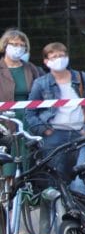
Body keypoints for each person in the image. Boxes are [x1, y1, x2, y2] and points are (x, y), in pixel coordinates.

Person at [26, 42, 85, 193]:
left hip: (80, 135)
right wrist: (45, 131)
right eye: (54, 56)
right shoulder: (41, 83)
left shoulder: (82, 78)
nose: (59, 59)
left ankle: (78, 216)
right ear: (46, 61)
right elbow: (30, 112)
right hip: (54, 136)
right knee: (55, 183)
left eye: (62, 55)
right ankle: (55, 216)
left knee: (79, 183)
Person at [1, 28, 43, 164]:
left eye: (21, 45)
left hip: (27, 123)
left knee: (27, 163)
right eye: (14, 44)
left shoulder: (32, 69)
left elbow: (41, 96)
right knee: (7, 166)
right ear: (5, 45)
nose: (18, 48)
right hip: (4, 123)